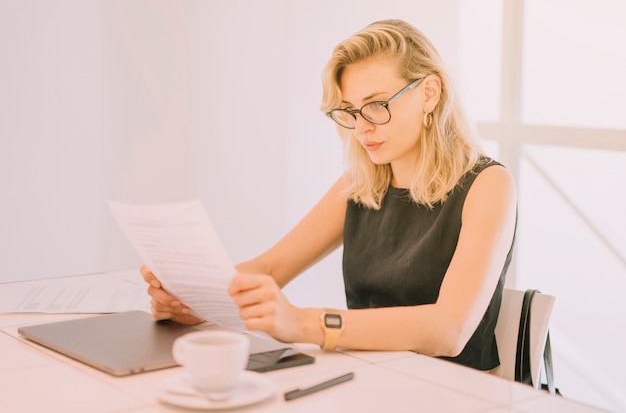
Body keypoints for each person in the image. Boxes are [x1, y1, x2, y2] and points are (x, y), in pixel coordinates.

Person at [141, 19, 517, 371]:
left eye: (376, 105)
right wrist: (195, 296)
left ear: (429, 94)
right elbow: (271, 268)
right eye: (351, 112)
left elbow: (448, 330)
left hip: (450, 394)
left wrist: (303, 323)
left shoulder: (487, 184)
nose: (361, 128)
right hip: (371, 379)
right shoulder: (362, 185)